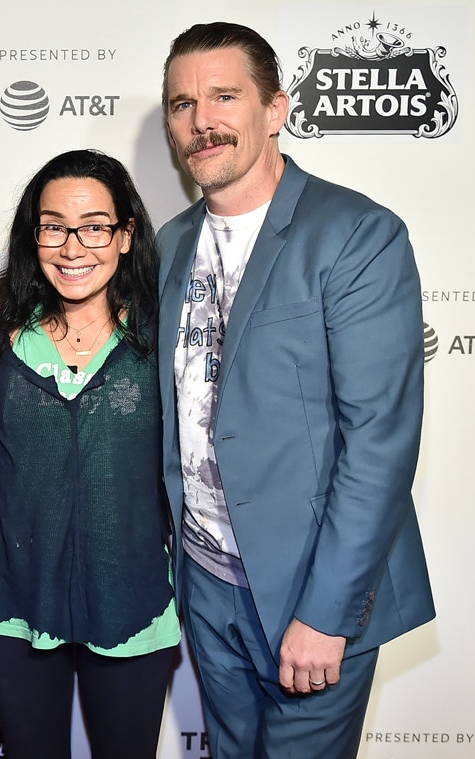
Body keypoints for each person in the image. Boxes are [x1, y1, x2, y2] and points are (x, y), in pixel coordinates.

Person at [156, 22, 435, 758]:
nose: (202, 120)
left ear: (276, 110)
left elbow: (379, 441)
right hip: (207, 583)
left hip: (309, 590)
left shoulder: (356, 234)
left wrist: (328, 612)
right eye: (183, 104)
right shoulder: (169, 244)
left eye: (224, 96)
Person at [0, 149, 180, 759]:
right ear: (33, 233)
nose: (72, 247)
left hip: (132, 601)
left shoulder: (162, 336)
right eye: (54, 226)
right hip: (14, 605)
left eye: (94, 227)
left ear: (125, 235)